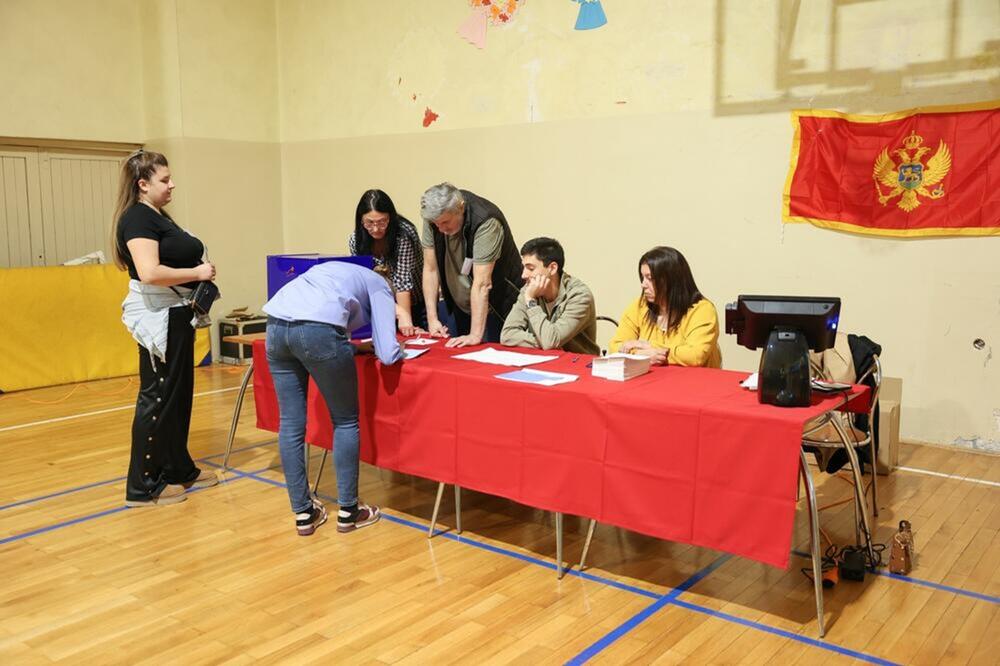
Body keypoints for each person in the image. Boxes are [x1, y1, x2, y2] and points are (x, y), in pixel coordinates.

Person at [263, 261, 404, 536]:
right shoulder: (381, 287)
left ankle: (304, 513)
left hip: (276, 328)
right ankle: (349, 511)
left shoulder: (335, 271)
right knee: (345, 421)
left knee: (290, 424)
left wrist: (353, 348)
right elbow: (387, 354)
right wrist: (402, 346)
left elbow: (320, 324)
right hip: (318, 332)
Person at [112, 149, 219, 507]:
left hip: (179, 314)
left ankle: (176, 467)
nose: (172, 184)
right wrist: (198, 273)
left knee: (177, 395)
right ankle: (142, 485)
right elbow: (150, 272)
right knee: (157, 396)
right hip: (158, 314)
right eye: (164, 179)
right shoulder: (137, 219)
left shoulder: (158, 216)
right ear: (143, 185)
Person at [419, 183, 521, 348]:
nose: (441, 229)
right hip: (459, 304)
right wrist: (432, 319)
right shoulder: (434, 218)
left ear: (461, 207)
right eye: (436, 224)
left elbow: (482, 284)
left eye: (445, 222)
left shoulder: (486, 221)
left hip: (496, 306)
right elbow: (430, 269)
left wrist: (475, 335)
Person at [608, 246, 722, 367]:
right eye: (642, 277)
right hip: (651, 381)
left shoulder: (702, 310)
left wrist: (648, 346)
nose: (643, 285)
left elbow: (695, 356)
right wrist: (639, 354)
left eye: (650, 278)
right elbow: (615, 346)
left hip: (693, 382)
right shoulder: (639, 306)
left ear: (671, 281)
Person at [500, 237, 600, 355]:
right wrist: (543, 341)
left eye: (530, 268)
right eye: (524, 268)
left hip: (578, 365)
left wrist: (531, 301)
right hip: (544, 361)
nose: (523, 275)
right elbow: (507, 335)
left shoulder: (579, 296)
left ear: (552, 268)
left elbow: (550, 342)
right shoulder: (528, 290)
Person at [349, 189, 426, 335]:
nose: (376, 229)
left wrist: (405, 320)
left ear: (390, 218)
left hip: (414, 302)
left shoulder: (403, 235)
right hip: (381, 304)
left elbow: (402, 283)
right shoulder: (356, 240)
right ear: (361, 220)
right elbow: (363, 281)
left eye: (382, 222)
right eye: (369, 223)